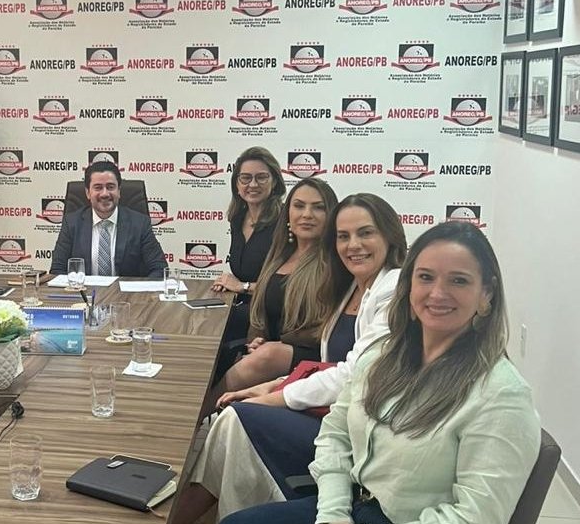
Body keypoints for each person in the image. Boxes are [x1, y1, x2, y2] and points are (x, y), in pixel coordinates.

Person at [222, 221, 541, 524]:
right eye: (425, 277)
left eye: (458, 280)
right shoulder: (382, 354)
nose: (437, 293)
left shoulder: (502, 395)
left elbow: (475, 516)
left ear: (487, 293)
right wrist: (333, 513)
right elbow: (335, 433)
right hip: (351, 506)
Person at [174, 193, 406, 523]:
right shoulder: (352, 287)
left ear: (389, 236)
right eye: (343, 236)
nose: (353, 245)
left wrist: (274, 397)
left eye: (365, 233)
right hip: (330, 413)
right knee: (232, 423)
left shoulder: (394, 289)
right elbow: (328, 366)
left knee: (235, 419)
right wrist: (273, 386)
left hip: (354, 434)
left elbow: (353, 375)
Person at [219, 178, 338, 393]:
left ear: (331, 215)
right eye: (299, 206)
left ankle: (198, 412)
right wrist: (257, 341)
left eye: (318, 207)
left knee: (267, 355)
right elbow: (262, 311)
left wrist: (274, 348)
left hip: (313, 359)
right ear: (288, 214)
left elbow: (326, 328)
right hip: (270, 353)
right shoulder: (279, 255)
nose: (307, 214)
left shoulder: (335, 263)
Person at [209, 148, 286, 379]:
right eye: (245, 178)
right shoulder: (237, 218)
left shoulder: (284, 222)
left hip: (273, 314)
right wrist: (230, 284)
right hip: (245, 306)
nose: (253, 184)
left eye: (261, 177)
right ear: (236, 184)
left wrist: (242, 287)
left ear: (274, 182)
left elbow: (288, 285)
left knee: (217, 335)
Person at [49, 161, 166, 278]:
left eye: (110, 187)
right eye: (98, 188)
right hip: (83, 289)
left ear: (119, 191)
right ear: (88, 193)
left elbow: (159, 269)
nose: (104, 194)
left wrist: (137, 289)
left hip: (126, 290)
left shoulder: (140, 224)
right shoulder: (71, 223)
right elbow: (57, 270)